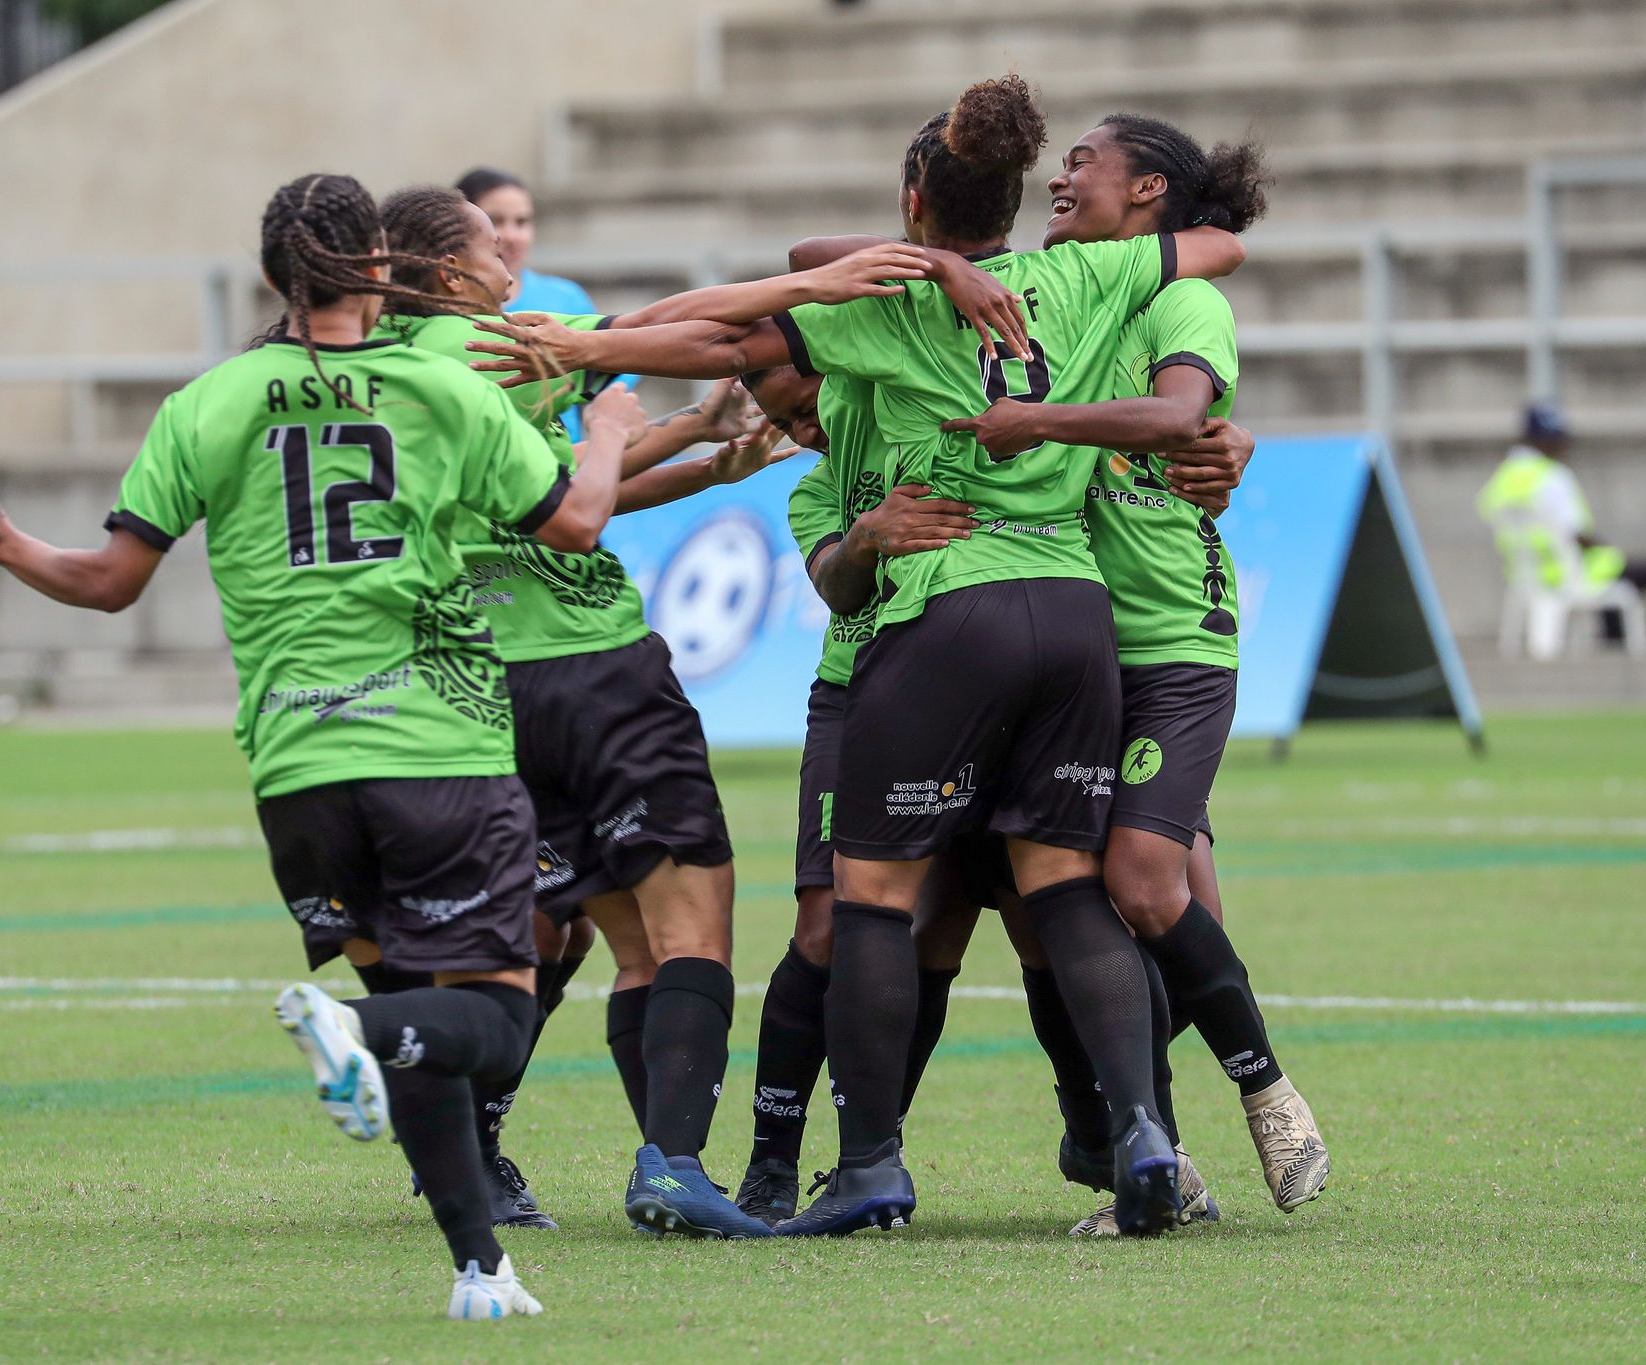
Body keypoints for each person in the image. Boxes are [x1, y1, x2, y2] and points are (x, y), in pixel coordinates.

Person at [469, 73, 1249, 1237]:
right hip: (1063, 623)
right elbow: (1215, 250)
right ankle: (1129, 1134)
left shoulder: (873, 319)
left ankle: (888, 1160)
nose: (783, 402)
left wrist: (591, 346)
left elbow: (727, 328)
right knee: (1050, 892)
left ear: (910, 203)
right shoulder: (1076, 281)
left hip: (944, 628)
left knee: (879, 906)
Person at [0, 173, 640, 1321]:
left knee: (413, 1010)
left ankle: (480, 1269)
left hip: (298, 770)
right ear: (382, 268)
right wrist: (605, 428)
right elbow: (576, 520)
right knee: (493, 1017)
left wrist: (7, 542)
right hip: (435, 746)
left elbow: (111, 583)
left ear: (272, 275)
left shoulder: (207, 404)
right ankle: (348, 1028)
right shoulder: (439, 389)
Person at [368, 185, 906, 1242]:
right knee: (692, 918)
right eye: (489, 246)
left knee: (625, 945)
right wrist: (812, 288)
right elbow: (691, 324)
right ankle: (666, 1162)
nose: (510, 264)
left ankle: (597, 1154)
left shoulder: (385, 376)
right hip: (592, 670)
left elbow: (570, 492)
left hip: (479, 684)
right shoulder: (499, 347)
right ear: (442, 277)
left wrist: (699, 449)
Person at [922, 113, 1331, 1230]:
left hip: (1171, 640)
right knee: (1052, 909)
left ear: (1146, 190)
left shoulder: (1178, 298)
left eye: (1083, 162)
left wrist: (1036, 424)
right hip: (1072, 646)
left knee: (1149, 887)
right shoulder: (1050, 289)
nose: (1060, 176)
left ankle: (1263, 1093)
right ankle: (1135, 1148)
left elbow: (1180, 415)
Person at [1479, 403, 1646, 643]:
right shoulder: (1552, 477)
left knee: (1613, 570)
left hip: (1527, 576)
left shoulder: (1503, 477)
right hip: (1568, 574)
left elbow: (1490, 512)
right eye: (1554, 439)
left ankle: (1614, 640)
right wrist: (1605, 548)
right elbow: (1577, 534)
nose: (1562, 446)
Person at [456, 167, 633, 440]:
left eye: (522, 222)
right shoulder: (447, 313)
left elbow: (612, 375)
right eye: (496, 221)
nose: (512, 236)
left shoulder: (566, 298)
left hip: (565, 469)